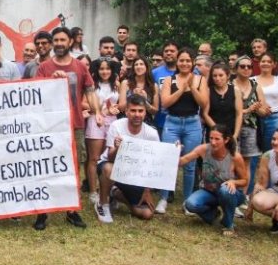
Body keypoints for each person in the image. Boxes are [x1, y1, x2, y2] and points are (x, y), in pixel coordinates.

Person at [33, 26, 103, 230]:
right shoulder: (44, 67)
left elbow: (90, 92)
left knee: (73, 168)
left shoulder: (80, 67)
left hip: (74, 125)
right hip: (50, 126)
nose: (59, 44)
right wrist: (50, 81)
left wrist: (97, 111)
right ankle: (42, 213)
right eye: (56, 40)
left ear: (70, 42)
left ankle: (71, 211)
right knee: (45, 166)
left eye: (63, 40)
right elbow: (34, 95)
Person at [158, 48, 209, 213]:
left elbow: (203, 103)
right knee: (167, 161)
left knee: (190, 163)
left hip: (192, 124)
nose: (185, 63)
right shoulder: (169, 80)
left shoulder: (200, 80)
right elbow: (165, 103)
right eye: (182, 60)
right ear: (177, 62)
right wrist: (182, 88)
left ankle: (187, 201)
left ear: (192, 62)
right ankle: (163, 198)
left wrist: (192, 87)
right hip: (172, 123)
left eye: (188, 60)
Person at [96, 94, 161, 222]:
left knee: (147, 213)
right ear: (126, 112)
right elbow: (110, 157)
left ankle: (114, 193)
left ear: (145, 112)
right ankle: (103, 204)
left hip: (135, 174)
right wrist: (117, 148)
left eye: (140, 111)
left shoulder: (152, 133)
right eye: (133, 110)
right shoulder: (116, 126)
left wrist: (147, 190)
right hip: (113, 166)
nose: (137, 114)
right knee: (109, 168)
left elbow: (153, 164)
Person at [180, 125, 249, 236]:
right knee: (190, 204)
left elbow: (245, 180)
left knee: (225, 190)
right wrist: (175, 152)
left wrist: (233, 182)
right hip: (209, 191)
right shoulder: (203, 149)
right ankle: (213, 214)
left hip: (231, 194)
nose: (213, 142)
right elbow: (183, 160)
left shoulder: (235, 157)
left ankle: (228, 223)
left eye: (217, 139)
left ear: (226, 140)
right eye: (211, 138)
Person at [84, 58, 120, 216]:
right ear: (96, 70)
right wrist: (98, 109)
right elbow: (83, 103)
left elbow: (121, 103)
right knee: (94, 158)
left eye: (107, 69)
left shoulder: (116, 85)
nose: (104, 72)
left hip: (113, 123)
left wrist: (114, 109)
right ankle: (93, 191)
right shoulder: (91, 86)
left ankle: (110, 190)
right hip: (96, 121)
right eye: (101, 69)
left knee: (111, 158)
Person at [232, 56, 266, 194]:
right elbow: (229, 109)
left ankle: (243, 196)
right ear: (236, 68)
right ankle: (231, 193)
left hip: (250, 129)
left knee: (246, 163)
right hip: (233, 128)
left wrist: (258, 108)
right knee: (232, 162)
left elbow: (264, 112)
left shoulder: (256, 86)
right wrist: (249, 109)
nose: (246, 69)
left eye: (249, 66)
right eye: (243, 66)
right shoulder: (229, 84)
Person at [202, 62, 242, 140]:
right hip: (213, 133)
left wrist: (235, 135)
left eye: (221, 75)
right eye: (215, 76)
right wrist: (218, 131)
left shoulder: (235, 90)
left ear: (228, 76)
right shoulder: (208, 91)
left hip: (231, 132)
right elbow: (205, 114)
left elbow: (239, 114)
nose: (217, 78)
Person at [118, 56, 158, 126]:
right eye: (136, 64)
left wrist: (145, 102)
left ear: (146, 67)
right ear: (133, 68)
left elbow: (155, 111)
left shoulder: (153, 86)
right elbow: (121, 108)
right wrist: (133, 96)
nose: (139, 67)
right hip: (127, 121)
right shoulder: (126, 83)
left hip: (146, 122)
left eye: (141, 64)